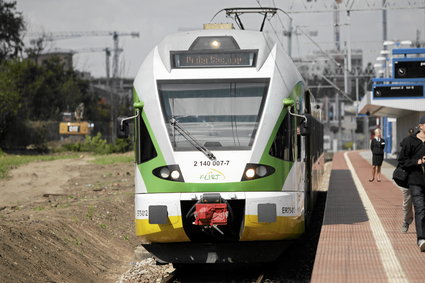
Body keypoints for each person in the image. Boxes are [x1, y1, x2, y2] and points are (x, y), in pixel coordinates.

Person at [398, 115, 425, 252]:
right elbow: (402, 161)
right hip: (415, 181)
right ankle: (421, 239)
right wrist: (418, 162)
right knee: (420, 208)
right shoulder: (410, 141)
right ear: (420, 126)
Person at [399, 128, 415, 233]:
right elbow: (402, 161)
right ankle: (406, 221)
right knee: (407, 202)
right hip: (408, 179)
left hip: (420, 178)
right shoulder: (406, 142)